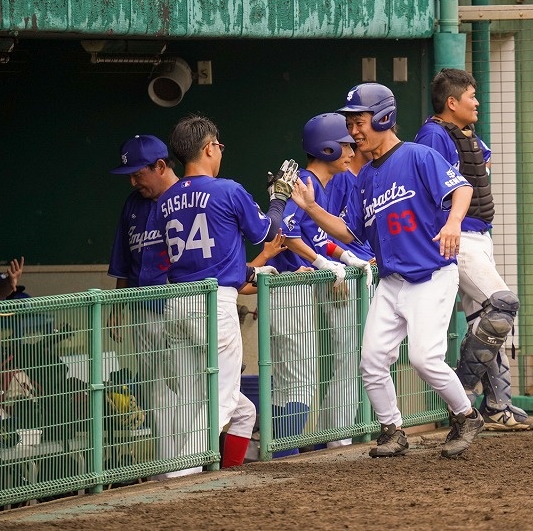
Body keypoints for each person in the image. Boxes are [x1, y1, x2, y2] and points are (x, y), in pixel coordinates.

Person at [290, 83, 485, 459]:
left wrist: (453, 222)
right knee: (372, 361)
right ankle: (392, 430)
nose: (354, 131)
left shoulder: (417, 155)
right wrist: (311, 208)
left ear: (383, 117)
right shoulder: (364, 176)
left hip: (432, 274)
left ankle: (467, 416)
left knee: (425, 359)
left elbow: (461, 189)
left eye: (359, 121)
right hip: (392, 280)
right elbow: (349, 232)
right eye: (350, 123)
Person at [153, 114, 296, 468]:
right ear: (207, 148)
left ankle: (185, 472)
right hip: (213, 305)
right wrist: (279, 198)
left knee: (196, 400)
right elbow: (267, 231)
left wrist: (250, 269)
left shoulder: (165, 199)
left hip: (177, 301)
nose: (220, 151)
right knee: (222, 400)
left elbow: (197, 256)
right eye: (218, 145)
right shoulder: (228, 189)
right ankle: (183, 473)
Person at [414, 68, 533, 431]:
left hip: (479, 234)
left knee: (485, 324)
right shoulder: (433, 135)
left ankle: (499, 405)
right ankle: (461, 394)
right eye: (471, 96)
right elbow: (429, 188)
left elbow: (480, 160)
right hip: (458, 237)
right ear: (452, 102)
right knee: (502, 306)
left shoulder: (462, 132)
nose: (478, 102)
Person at [266, 112, 372, 455]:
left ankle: (287, 451)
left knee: (295, 379)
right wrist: (325, 262)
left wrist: (343, 257)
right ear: (327, 148)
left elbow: (321, 239)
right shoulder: (303, 181)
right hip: (286, 283)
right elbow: (285, 233)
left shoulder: (325, 185)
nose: (352, 152)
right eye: (346, 145)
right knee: (297, 379)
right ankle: (284, 454)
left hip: (301, 283)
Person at [106, 134, 202, 479]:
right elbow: (123, 260)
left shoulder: (189, 198)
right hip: (142, 308)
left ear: (160, 166)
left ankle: (187, 465)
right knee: (155, 390)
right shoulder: (133, 204)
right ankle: (166, 469)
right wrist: (118, 305)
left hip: (183, 307)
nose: (133, 182)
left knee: (189, 388)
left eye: (138, 174)